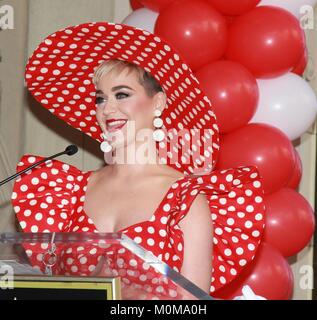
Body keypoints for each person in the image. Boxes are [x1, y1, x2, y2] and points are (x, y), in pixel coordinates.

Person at [11, 21, 265, 299]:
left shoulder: (185, 198)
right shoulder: (70, 192)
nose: (107, 109)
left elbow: (194, 304)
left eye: (122, 94)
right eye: (100, 98)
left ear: (157, 103)